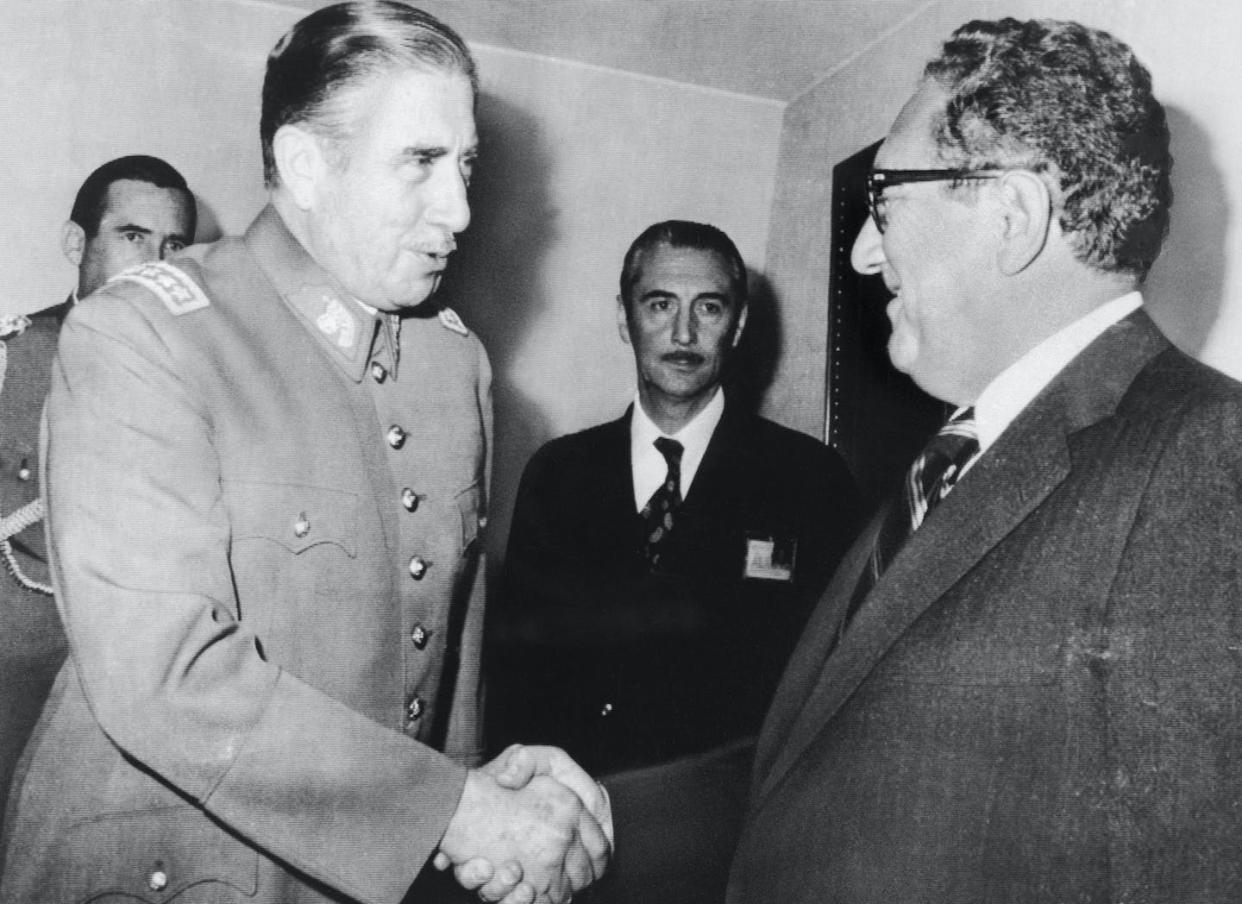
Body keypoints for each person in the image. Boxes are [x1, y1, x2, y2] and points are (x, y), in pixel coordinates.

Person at [490, 15, 1242, 904]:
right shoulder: (962, 456)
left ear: (1014, 214)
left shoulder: (1208, 458)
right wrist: (609, 819)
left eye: (885, 205)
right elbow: (818, 756)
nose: (862, 251)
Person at [0, 5, 608, 904]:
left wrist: (480, 803)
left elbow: (450, 644)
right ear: (305, 164)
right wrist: (454, 813)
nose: (463, 209)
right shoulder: (141, 335)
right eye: (422, 163)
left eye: (467, 163)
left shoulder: (453, 365)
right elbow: (162, 676)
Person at [492, 220, 860, 774]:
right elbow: (516, 678)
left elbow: (830, 688)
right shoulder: (557, 474)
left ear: (737, 326)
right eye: (661, 305)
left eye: (709, 308)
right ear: (625, 317)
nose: (684, 334)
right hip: (577, 806)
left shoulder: (811, 480)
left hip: (726, 820)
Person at [0, 154, 195, 825]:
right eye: (133, 237)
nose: (156, 264)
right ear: (76, 244)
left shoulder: (203, 380)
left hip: (138, 682)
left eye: (174, 245)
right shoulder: (13, 358)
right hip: (16, 676)